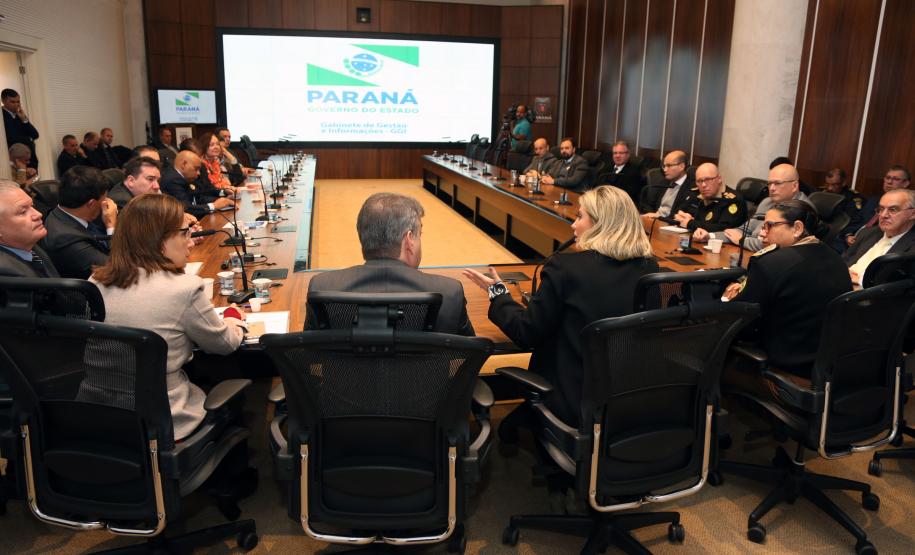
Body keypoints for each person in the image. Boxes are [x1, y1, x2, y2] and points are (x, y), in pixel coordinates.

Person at [463, 186, 660, 425]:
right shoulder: (649, 268)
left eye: (579, 216)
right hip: (627, 396)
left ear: (601, 224)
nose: (572, 225)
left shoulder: (565, 268)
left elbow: (527, 332)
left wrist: (498, 293)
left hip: (569, 398)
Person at [88, 194, 246, 440]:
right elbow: (224, 345)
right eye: (184, 233)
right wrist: (233, 321)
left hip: (102, 415)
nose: (191, 242)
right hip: (166, 418)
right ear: (159, 240)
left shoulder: (94, 282)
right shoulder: (183, 288)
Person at [722, 200, 852, 389]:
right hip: (831, 371)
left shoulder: (771, 264)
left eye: (770, 226)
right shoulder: (835, 258)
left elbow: (741, 325)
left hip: (789, 376)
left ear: (797, 228)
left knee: (703, 362)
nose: (761, 232)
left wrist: (728, 299)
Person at [306, 192, 474, 336]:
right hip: (423, 375)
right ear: (409, 240)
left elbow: (307, 354)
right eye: (419, 234)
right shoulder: (449, 293)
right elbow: (470, 355)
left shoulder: (322, 288)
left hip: (342, 375)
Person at [712, 163, 811, 252]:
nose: (771, 188)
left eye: (777, 183)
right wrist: (710, 236)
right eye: (769, 183)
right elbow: (743, 230)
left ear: (794, 186)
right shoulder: (767, 202)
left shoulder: (803, 209)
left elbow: (777, 245)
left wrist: (742, 241)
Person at [40, 166, 116, 279]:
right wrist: (111, 226)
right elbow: (115, 269)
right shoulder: (65, 239)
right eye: (104, 199)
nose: (107, 203)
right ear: (91, 204)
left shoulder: (67, 212)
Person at [843, 189, 915, 285]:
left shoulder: (912, 247)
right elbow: (845, 259)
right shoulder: (868, 232)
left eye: (893, 210)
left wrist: (860, 281)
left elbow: (903, 287)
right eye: (881, 209)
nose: (883, 215)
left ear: (913, 214)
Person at [0, 180, 58, 277]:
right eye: (23, 212)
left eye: (32, 206)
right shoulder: (7, 274)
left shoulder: (28, 244)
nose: (38, 214)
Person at [844, 165, 912, 247]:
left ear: (906, 183)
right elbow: (856, 221)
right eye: (887, 178)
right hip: (849, 240)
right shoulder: (873, 201)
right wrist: (848, 235)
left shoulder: (908, 206)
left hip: (873, 244)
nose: (889, 182)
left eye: (896, 179)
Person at [676, 163, 748, 239]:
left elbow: (724, 229)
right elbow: (677, 211)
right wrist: (681, 216)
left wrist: (689, 223)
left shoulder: (732, 200)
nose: (703, 185)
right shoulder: (696, 193)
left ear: (719, 179)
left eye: (708, 180)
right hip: (696, 238)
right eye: (699, 181)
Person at [160, 151, 234, 219]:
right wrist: (214, 206)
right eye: (196, 169)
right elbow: (186, 209)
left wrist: (223, 200)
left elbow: (198, 198)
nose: (198, 173)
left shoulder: (184, 177)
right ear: (183, 164)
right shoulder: (173, 180)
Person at [640, 150, 697, 219]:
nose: (665, 170)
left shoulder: (692, 187)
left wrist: (660, 217)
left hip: (671, 223)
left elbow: (682, 212)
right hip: (655, 221)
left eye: (669, 165)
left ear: (681, 166)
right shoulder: (664, 182)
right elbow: (649, 203)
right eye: (664, 166)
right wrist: (650, 215)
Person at [2, 88, 39, 169]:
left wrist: (24, 120)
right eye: (12, 102)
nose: (16, 105)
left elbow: (35, 135)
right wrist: (28, 139)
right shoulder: (2, 116)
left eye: (18, 101)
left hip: (30, 160)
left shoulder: (19, 115)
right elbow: (11, 138)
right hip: (16, 163)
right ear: (3, 101)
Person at [600, 140, 644, 205]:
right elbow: (597, 185)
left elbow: (628, 196)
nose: (617, 156)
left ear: (628, 155)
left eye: (621, 153)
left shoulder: (634, 173)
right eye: (615, 153)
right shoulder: (606, 168)